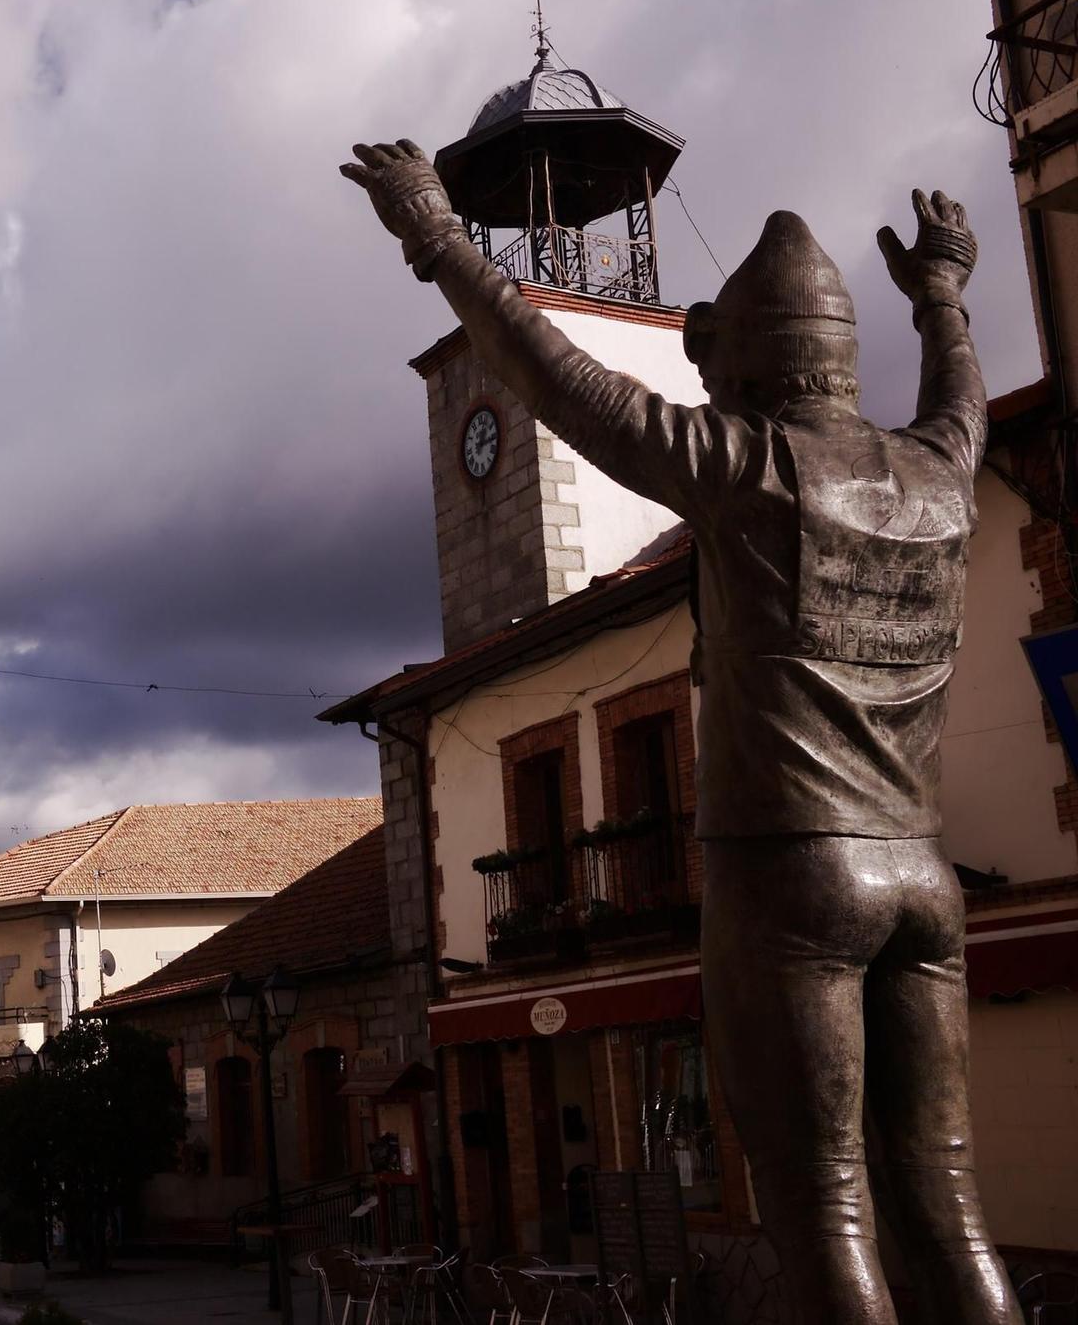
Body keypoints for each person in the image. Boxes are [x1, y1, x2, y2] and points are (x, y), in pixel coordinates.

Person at [341, 141, 1018, 1324]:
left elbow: (557, 379)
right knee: (946, 1200)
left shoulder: (743, 466)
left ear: (747, 366)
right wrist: (944, 298)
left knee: (822, 1202)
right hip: (920, 870)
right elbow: (959, 397)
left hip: (789, 870)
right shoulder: (938, 476)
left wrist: (436, 236)